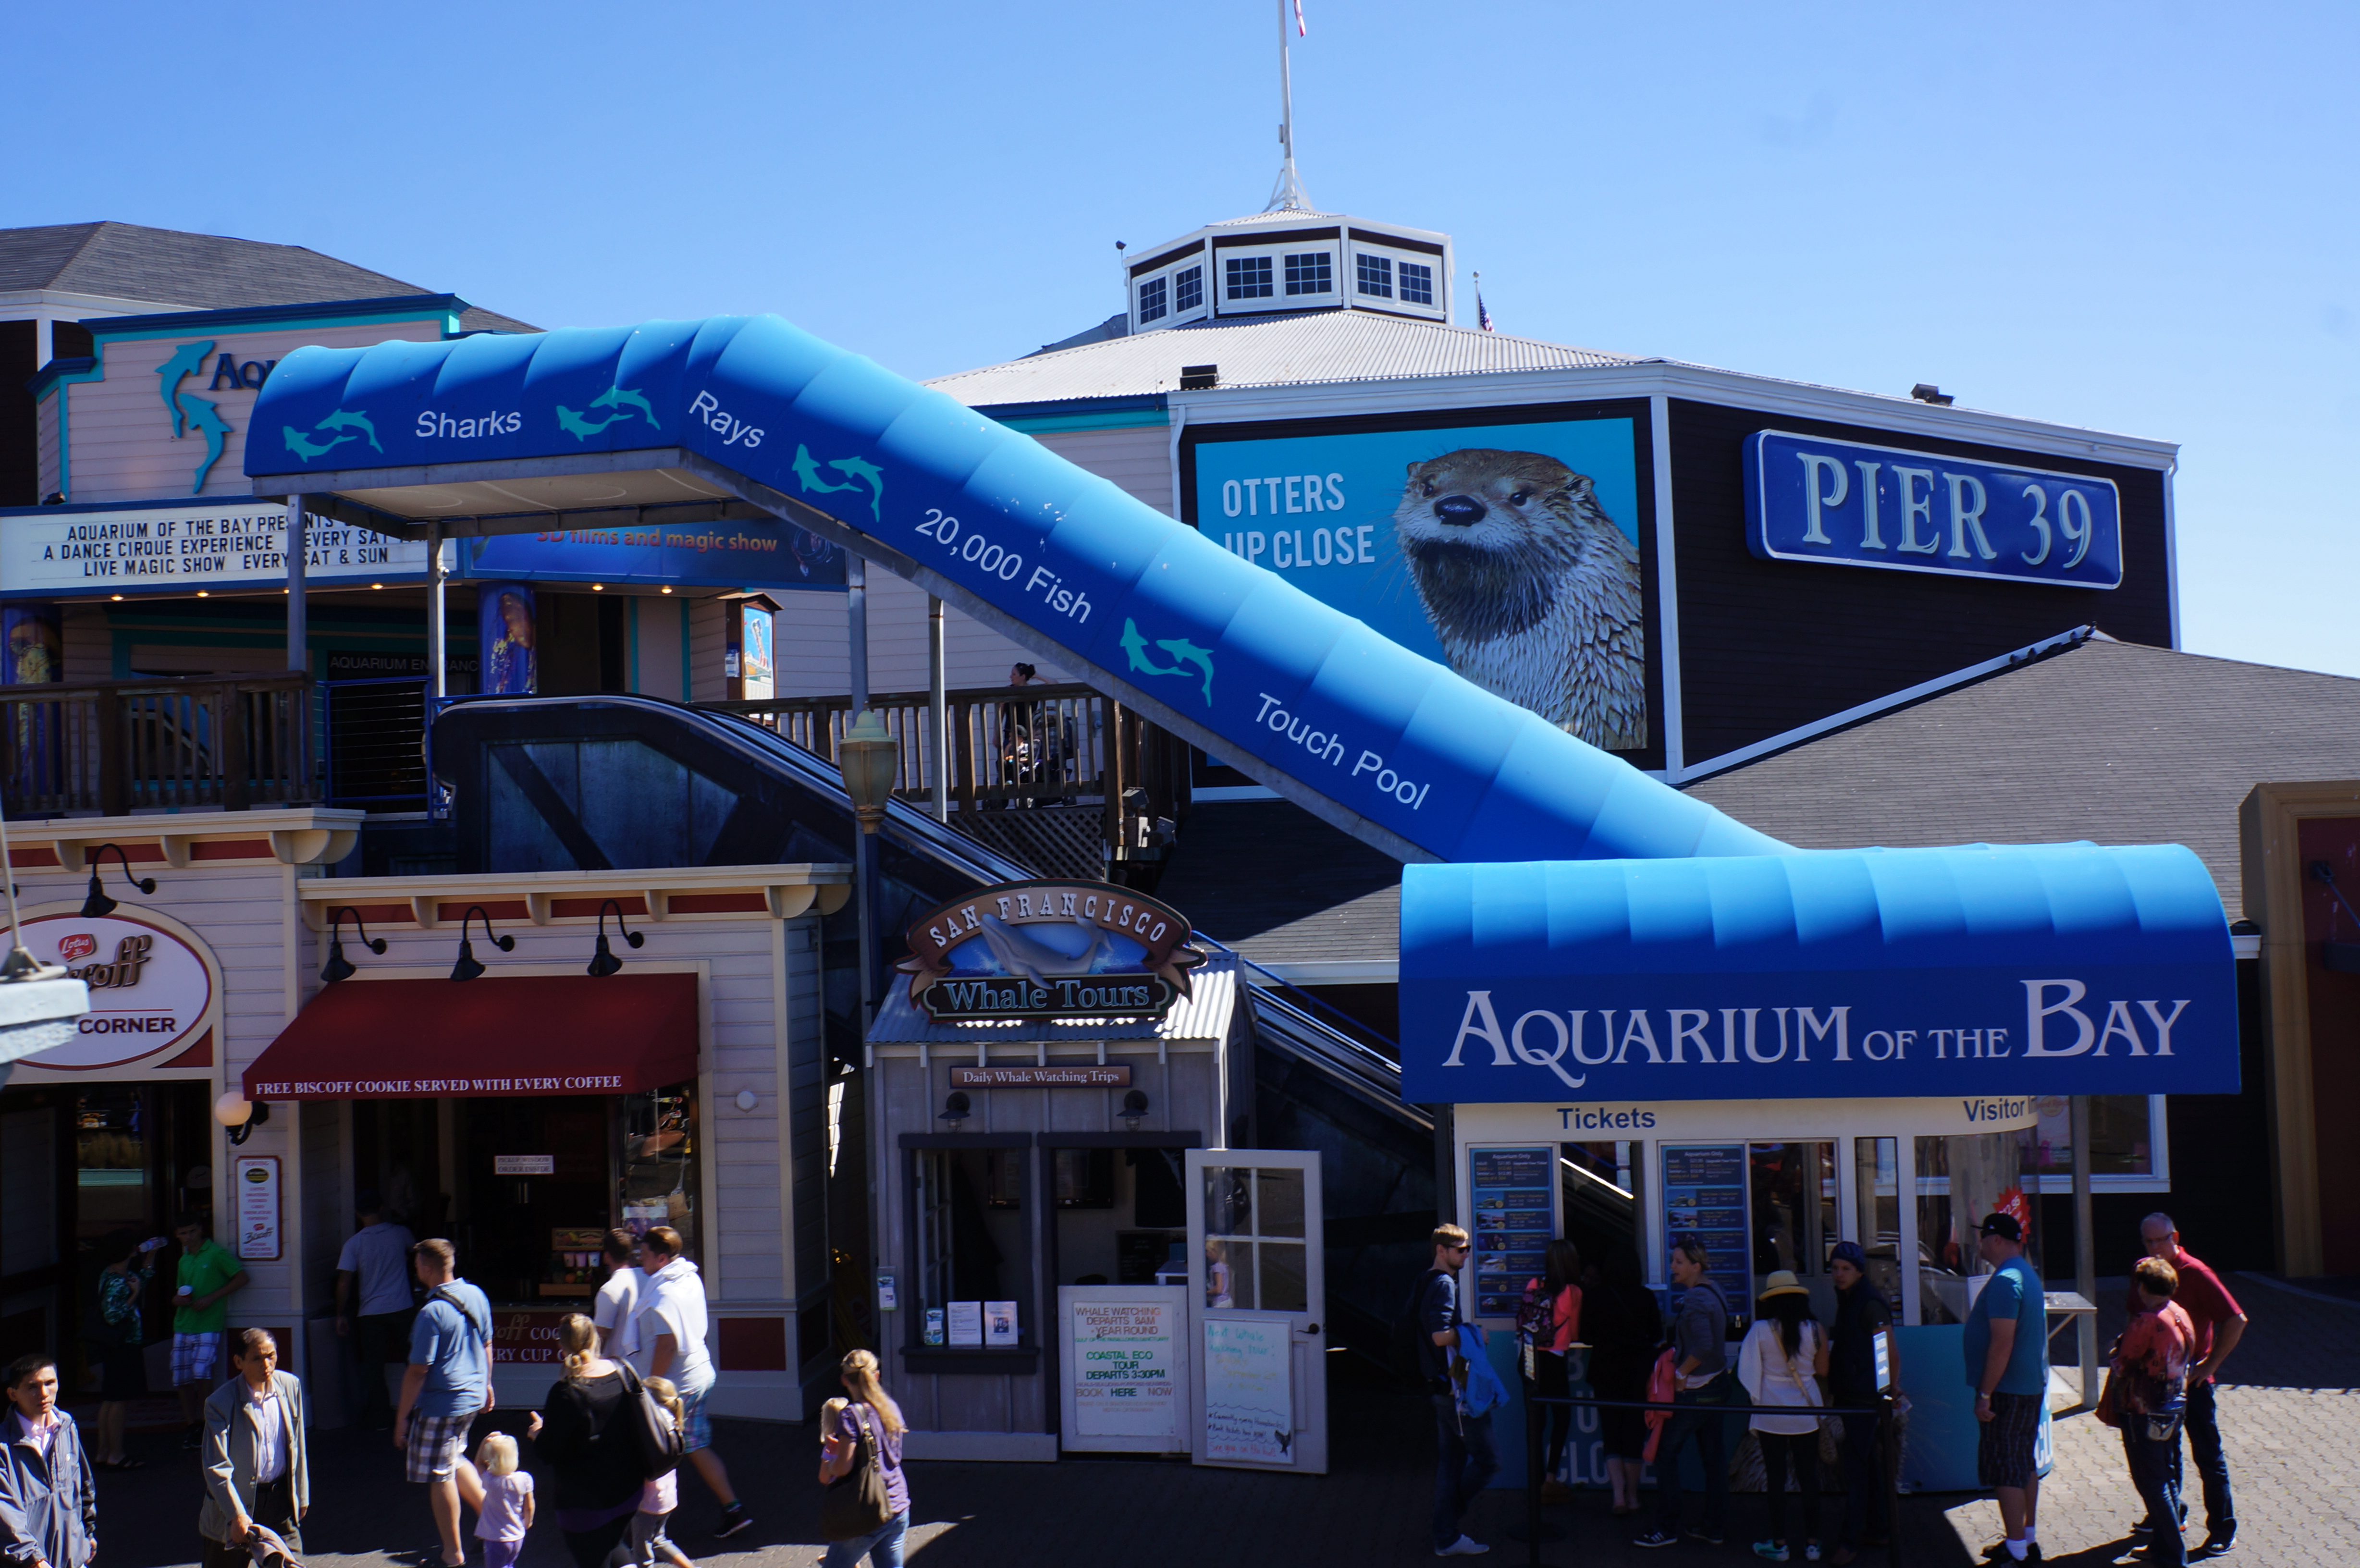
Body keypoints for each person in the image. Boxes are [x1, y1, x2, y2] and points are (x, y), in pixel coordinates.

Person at [2135, 1214, 2240, 1558]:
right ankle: (2169, 1525)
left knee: (2208, 1456)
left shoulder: (2196, 1273)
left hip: (2193, 1385)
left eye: (2160, 1241)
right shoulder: (2145, 1273)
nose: (2154, 1249)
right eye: (2148, 1242)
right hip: (2158, 1386)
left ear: (2175, 1237)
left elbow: (2236, 1320)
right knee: (2165, 1457)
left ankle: (2223, 1528)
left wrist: (2209, 1366)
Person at [635, 1227, 750, 1539]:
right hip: (700, 1371)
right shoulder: (688, 1277)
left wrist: (649, 1387)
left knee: (654, 1448)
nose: (639, 1259)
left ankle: (649, 1525)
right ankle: (733, 1510)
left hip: (677, 1384)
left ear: (661, 1258)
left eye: (644, 1254)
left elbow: (667, 1345)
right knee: (696, 1446)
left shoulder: (662, 1294)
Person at [394, 1238, 495, 1568]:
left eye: (417, 1266)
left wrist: (401, 1418)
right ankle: (495, 1522)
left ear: (426, 1268)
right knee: (454, 1457)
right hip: (470, 1397)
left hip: (442, 1403)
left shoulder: (430, 1312)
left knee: (440, 1475)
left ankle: (452, 1554)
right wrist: (487, 1384)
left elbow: (418, 1370)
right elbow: (487, 1343)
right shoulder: (476, 1295)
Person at [1635, 1234, 1735, 1551]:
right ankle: (1713, 1526)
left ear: (1695, 1266)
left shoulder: (1694, 1300)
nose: (1672, 1267)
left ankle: (1666, 1527)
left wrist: (1680, 1373)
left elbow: (1704, 1346)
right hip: (1718, 1385)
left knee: (1665, 1452)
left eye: (1678, 1262)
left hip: (1696, 1390)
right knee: (1714, 1458)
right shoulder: (1714, 1290)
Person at [1962, 1213, 2047, 1564]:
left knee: (2005, 1470)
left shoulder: (2005, 1281)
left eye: (1983, 1237)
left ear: (1996, 1240)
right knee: (2023, 1463)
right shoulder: (2025, 1274)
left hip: (2007, 1392)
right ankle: (2026, 1540)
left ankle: (2016, 1552)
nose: (1980, 1243)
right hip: (2026, 1387)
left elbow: (2001, 1344)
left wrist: (1985, 1394)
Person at [1413, 1223, 1494, 1557]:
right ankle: (1445, 1525)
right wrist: (1474, 1334)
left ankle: (1445, 1534)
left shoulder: (1424, 1280)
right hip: (1451, 1388)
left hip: (1437, 1383)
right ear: (1441, 1251)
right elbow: (1439, 1336)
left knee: (1451, 1461)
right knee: (1490, 1460)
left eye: (1467, 1249)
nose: (1465, 1255)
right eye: (1460, 1250)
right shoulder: (1445, 1284)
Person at [1736, 1271, 1828, 1563]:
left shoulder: (1760, 1330)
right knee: (1808, 1477)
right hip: (1806, 1413)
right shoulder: (1816, 1330)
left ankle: (1780, 1544)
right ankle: (1813, 1544)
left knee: (1776, 1480)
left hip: (1770, 1414)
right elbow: (1824, 1371)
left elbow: (1747, 1371)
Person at [198, 1329, 308, 1568]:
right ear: (239, 1362)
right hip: (234, 1505)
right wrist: (236, 1514)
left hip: (279, 1502)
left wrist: (301, 1493)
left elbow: (298, 1444)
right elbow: (216, 1467)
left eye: (271, 1356)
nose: (266, 1364)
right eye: (257, 1358)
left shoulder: (290, 1386)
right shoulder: (220, 1403)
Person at [2112, 1257, 2195, 1568]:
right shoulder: (2180, 1314)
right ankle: (2162, 1546)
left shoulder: (2147, 1320)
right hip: (2175, 1405)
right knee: (2168, 1473)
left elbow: (2125, 1361)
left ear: (2144, 1286)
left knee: (2151, 1480)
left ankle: (2174, 1554)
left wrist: (2116, 1354)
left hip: (2143, 1408)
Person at [538, 1315, 640, 1568]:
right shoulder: (624, 1373)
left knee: (595, 1556)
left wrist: (538, 1432)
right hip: (628, 1491)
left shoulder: (565, 1392)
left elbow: (547, 1452)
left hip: (584, 1503)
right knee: (613, 1544)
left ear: (562, 1346)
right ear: (596, 1338)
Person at [1824, 1241, 1894, 1566]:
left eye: (1846, 1269)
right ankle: (1879, 1528)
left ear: (1860, 1271)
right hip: (1854, 1396)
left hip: (1864, 1401)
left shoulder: (1870, 1304)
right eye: (1835, 1268)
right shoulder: (1851, 1298)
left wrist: (1886, 1394)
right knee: (1867, 1467)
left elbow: (1887, 1352)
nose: (1839, 1274)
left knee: (1856, 1472)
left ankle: (1848, 1542)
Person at [1579, 1242, 1658, 1518]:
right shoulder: (1646, 1297)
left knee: (1611, 1433)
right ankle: (1635, 1496)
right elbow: (1657, 1334)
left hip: (1605, 1372)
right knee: (1634, 1434)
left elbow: (1586, 1337)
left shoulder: (1596, 1297)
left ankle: (1618, 1496)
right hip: (1637, 1374)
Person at [0, 1354, 95, 1568]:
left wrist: (87, 1531)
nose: (44, 1394)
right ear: (12, 1394)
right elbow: (4, 1513)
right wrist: (34, 1560)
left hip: (73, 1556)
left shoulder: (66, 1425)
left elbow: (82, 1483)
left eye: (50, 1383)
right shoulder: (3, 1447)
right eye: (32, 1387)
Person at [817, 1350, 910, 1568]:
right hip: (897, 1505)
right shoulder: (890, 1407)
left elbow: (843, 1467)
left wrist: (828, 1465)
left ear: (844, 1380)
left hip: (866, 1510)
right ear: (876, 1376)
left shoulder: (851, 1416)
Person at [334, 1191, 417, 1431]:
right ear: (382, 1208)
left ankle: (381, 1418)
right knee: (415, 1362)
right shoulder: (401, 1234)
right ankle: (417, 1412)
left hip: (370, 1312)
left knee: (374, 1368)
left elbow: (344, 1281)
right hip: (403, 1307)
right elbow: (419, 1257)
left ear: (357, 1214)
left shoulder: (355, 1243)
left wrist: (340, 1314)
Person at [171, 1213, 247, 1451]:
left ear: (201, 1230)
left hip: (208, 1323)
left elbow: (242, 1277)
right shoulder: (184, 1260)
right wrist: (179, 1301)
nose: (188, 1237)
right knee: (181, 1377)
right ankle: (191, 1424)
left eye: (192, 1231)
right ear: (177, 1236)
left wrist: (212, 1298)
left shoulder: (216, 1253)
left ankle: (207, 1422)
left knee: (202, 1373)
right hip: (184, 1323)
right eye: (183, 1233)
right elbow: (179, 1293)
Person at [91, 1237, 164, 1470]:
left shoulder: (113, 1274)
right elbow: (113, 1315)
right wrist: (134, 1296)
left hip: (116, 1345)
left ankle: (104, 1451)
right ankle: (116, 1454)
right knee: (119, 1400)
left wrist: (150, 1257)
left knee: (110, 1398)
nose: (136, 1248)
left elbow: (141, 1279)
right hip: (122, 1344)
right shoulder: (116, 1281)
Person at [1525, 1239, 1584, 1503]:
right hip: (1554, 1362)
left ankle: (1536, 1484)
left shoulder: (1534, 1284)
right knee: (1562, 1418)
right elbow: (1574, 1334)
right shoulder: (1573, 1292)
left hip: (1528, 1360)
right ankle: (1550, 1479)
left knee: (1536, 1424)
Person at [628, 1377, 695, 1568]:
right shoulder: (672, 1423)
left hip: (647, 1502)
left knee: (642, 1553)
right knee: (659, 1540)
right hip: (666, 1497)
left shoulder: (651, 1430)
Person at [471, 1433, 534, 1568]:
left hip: (496, 1538)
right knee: (509, 1564)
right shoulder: (524, 1478)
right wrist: (528, 1522)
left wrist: (484, 1442)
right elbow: (529, 1506)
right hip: (517, 1536)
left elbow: (478, 1464)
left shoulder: (491, 1481)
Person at [593, 1229, 646, 1368]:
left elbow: (599, 1339)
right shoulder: (650, 1280)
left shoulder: (609, 1290)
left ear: (606, 1256)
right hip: (647, 1367)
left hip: (621, 1372)